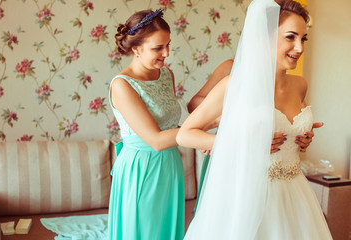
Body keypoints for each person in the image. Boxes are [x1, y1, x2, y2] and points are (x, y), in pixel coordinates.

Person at [177, 0, 333, 239]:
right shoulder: (236, 85)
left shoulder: (300, 85)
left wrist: (303, 135)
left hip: (295, 194)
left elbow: (286, 126)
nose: (299, 48)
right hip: (248, 195)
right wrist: (240, 141)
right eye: (290, 37)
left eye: (303, 38)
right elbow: (185, 134)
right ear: (264, 37)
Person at [107, 9, 184, 240]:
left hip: (170, 165)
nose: (166, 53)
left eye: (168, 45)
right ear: (136, 48)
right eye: (158, 48)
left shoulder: (165, 74)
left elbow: (171, 127)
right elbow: (157, 139)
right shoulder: (122, 85)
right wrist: (203, 137)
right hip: (142, 168)